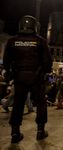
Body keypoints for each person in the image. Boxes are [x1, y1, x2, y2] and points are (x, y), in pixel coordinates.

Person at [3, 15, 52, 143]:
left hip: (19, 77)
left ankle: (15, 132)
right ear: (35, 26)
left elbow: (6, 60)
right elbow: (47, 61)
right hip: (36, 77)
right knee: (41, 104)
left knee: (18, 104)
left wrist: (9, 73)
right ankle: (40, 131)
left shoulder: (12, 41)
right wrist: (45, 72)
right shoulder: (40, 41)